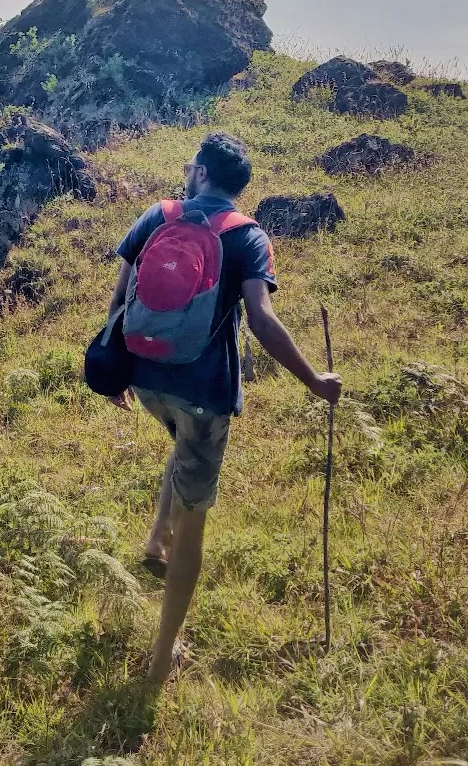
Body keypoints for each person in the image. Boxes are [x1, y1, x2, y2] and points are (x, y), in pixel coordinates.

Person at [107, 131, 342, 688]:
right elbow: (259, 319)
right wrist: (314, 380)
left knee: (181, 444)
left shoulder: (157, 215)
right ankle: (164, 655)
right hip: (203, 393)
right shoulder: (248, 237)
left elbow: (119, 299)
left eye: (192, 167)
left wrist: (114, 369)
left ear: (203, 175)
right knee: (197, 510)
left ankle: (154, 538)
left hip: (144, 380)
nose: (187, 173)